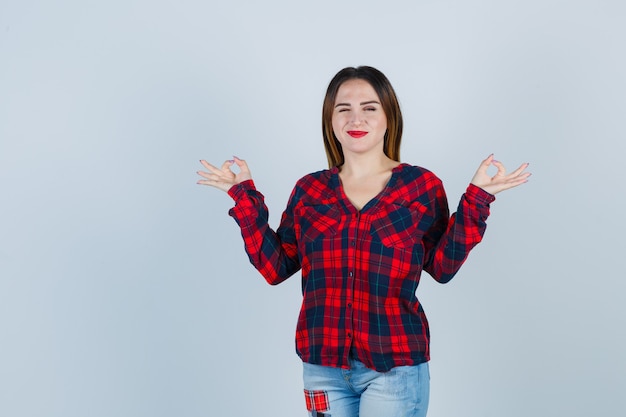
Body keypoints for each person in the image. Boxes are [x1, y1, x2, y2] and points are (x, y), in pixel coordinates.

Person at [197, 66, 530, 417]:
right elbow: (275, 268)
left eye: (369, 108)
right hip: (322, 367)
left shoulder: (420, 186)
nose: (356, 118)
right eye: (344, 109)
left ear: (389, 117)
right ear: (331, 119)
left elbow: (442, 268)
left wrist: (478, 200)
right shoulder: (309, 190)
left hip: (395, 366)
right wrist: (245, 199)